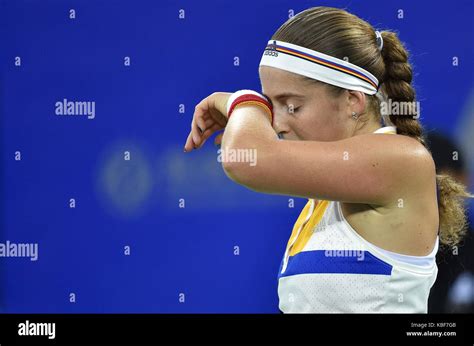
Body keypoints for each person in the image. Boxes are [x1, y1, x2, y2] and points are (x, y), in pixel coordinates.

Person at [183, 7, 472, 313]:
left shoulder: (402, 159)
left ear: (352, 102)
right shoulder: (323, 199)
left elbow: (246, 159)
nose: (276, 123)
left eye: (291, 105)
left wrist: (242, 101)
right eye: (270, 104)